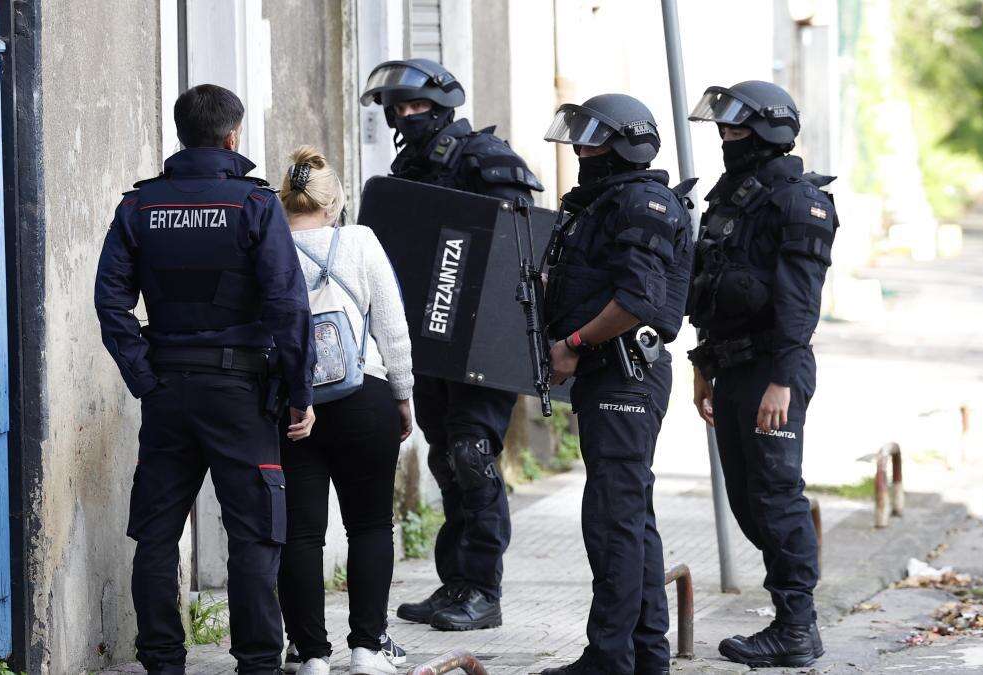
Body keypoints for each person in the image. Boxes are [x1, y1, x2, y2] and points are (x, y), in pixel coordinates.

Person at [95, 84, 315, 675]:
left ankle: (163, 662)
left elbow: (111, 303)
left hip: (168, 390)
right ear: (232, 136)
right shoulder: (255, 205)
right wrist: (301, 393)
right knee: (253, 534)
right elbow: (288, 304)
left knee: (157, 533)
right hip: (240, 393)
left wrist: (144, 375)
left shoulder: (139, 207)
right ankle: (258, 664)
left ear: (181, 132)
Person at [359, 57, 543, 632]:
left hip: (483, 345)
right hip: (433, 340)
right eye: (398, 109)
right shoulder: (406, 166)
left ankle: (483, 589)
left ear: (442, 108)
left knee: (472, 455)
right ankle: (455, 583)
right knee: (445, 459)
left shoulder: (488, 159)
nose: (406, 116)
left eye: (416, 107)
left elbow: (519, 245)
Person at [538, 94, 695, 674]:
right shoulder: (606, 202)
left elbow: (635, 299)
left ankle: (609, 658)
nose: (581, 151)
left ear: (625, 145)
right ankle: (646, 654)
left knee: (612, 521)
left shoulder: (641, 203)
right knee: (629, 518)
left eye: (594, 141)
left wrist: (573, 345)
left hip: (624, 373)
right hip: (612, 376)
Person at [687, 80, 837, 668]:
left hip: (775, 370)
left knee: (776, 497)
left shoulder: (799, 201)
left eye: (737, 129)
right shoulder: (734, 196)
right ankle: (790, 621)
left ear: (769, 131)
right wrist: (703, 365)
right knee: (750, 502)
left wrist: (780, 378)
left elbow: (799, 303)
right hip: (731, 367)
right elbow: (713, 286)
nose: (727, 139)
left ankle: (797, 627)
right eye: (722, 129)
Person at [273, 146, 414, 675]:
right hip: (364, 398)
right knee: (372, 525)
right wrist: (401, 395)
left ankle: (310, 654)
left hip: (293, 407)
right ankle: (367, 648)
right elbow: (393, 327)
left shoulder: (267, 245)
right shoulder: (359, 241)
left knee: (302, 533)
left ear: (285, 202)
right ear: (335, 204)